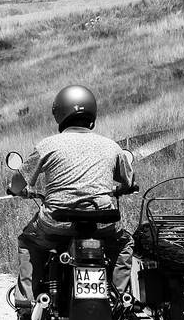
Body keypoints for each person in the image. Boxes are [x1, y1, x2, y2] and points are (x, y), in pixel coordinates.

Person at [10, 85, 135, 306]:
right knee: (124, 243)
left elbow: (19, 181)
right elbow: (128, 181)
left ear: (60, 113)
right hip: (102, 223)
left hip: (56, 222)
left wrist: (17, 191)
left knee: (28, 241)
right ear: (92, 113)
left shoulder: (47, 145)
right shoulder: (111, 146)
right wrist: (123, 187)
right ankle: (119, 296)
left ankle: (25, 300)